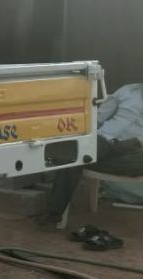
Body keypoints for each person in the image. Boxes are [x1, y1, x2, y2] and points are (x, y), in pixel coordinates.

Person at [37, 83, 143, 225]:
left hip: (134, 151)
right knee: (77, 152)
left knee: (79, 158)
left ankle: (86, 161)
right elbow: (98, 117)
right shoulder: (127, 91)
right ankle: (54, 212)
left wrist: (136, 142)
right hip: (105, 141)